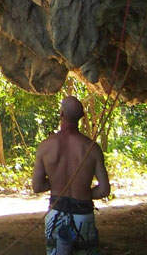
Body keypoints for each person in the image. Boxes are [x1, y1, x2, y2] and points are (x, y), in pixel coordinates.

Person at [32, 96, 110, 255]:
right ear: (81, 117)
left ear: (61, 114)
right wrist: (83, 192)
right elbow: (104, 190)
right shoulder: (92, 149)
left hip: (55, 214)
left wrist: (56, 182)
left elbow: (37, 186)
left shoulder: (45, 146)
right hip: (83, 215)